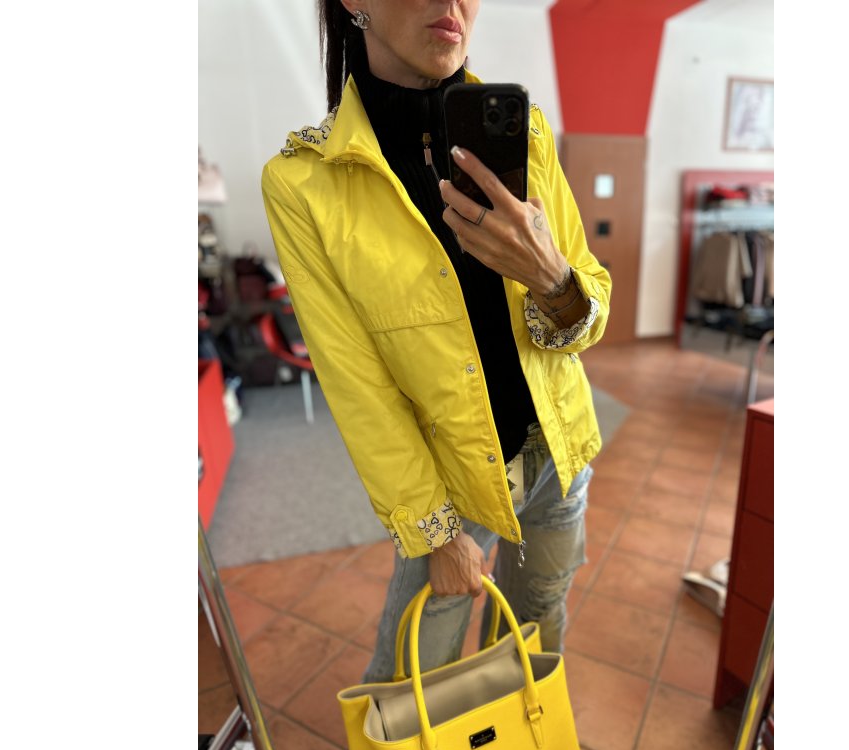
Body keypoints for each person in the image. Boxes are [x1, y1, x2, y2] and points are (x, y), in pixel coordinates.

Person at [260, 0, 612, 685]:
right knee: (414, 678)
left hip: (560, 451)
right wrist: (436, 532)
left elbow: (589, 302)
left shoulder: (526, 133)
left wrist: (551, 278)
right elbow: (359, 389)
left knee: (536, 640)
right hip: (453, 485)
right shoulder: (305, 184)